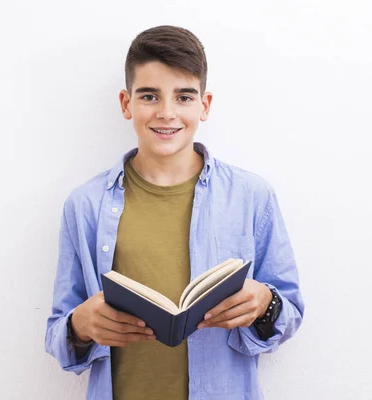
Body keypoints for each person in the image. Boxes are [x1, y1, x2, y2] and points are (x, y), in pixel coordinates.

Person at [45, 25, 304, 400]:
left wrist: (266, 303)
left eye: (183, 97)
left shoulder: (252, 196)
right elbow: (59, 331)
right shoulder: (85, 205)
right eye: (149, 96)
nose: (167, 113)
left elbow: (290, 310)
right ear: (125, 103)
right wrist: (79, 327)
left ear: (205, 104)